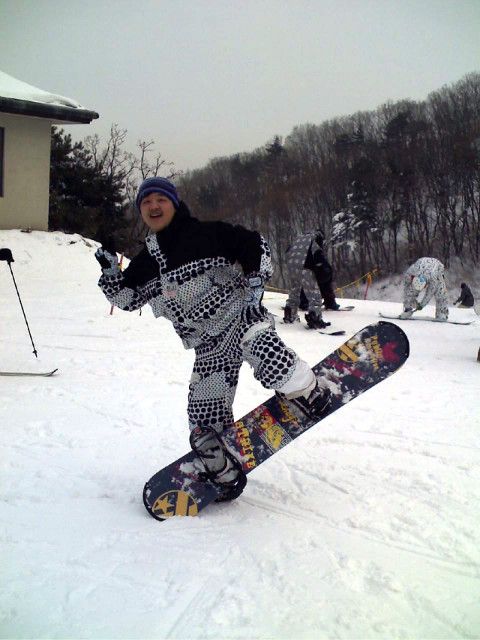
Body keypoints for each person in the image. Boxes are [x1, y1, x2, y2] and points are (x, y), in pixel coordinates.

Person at [95, 177, 331, 501]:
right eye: (146, 202)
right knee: (203, 419)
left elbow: (255, 244)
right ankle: (223, 470)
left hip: (240, 317)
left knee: (267, 355)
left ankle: (306, 389)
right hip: (208, 346)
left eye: (160, 199)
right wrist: (111, 274)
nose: (153, 206)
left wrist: (255, 285)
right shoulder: (146, 261)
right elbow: (128, 299)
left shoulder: (206, 234)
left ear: (173, 203)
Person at [284, 230, 334, 328]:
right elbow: (318, 255)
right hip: (305, 266)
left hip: (291, 265)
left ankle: (290, 314)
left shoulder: (299, 238)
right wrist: (324, 269)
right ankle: (315, 318)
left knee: (295, 291)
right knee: (314, 294)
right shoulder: (315, 239)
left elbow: (288, 251)